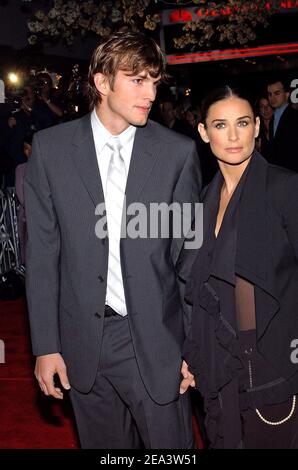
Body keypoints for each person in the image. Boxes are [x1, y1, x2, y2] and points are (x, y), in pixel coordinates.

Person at [24, 30, 202, 449]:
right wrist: (46, 345)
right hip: (82, 341)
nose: (151, 93)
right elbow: (43, 255)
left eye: (154, 81)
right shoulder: (51, 150)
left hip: (156, 343)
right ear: (102, 82)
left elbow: (189, 261)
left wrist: (194, 347)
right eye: (137, 80)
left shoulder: (178, 153)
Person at [179, 84, 298, 449]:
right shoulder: (204, 199)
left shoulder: (285, 188)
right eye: (220, 125)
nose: (233, 136)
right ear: (203, 132)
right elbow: (199, 288)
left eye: (243, 123)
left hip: (272, 369)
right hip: (217, 370)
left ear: (257, 128)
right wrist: (191, 355)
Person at [267, 77, 298, 172]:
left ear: (287, 94)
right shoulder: (272, 118)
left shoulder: (295, 116)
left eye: (276, 93)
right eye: (269, 94)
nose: (272, 98)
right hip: (277, 172)